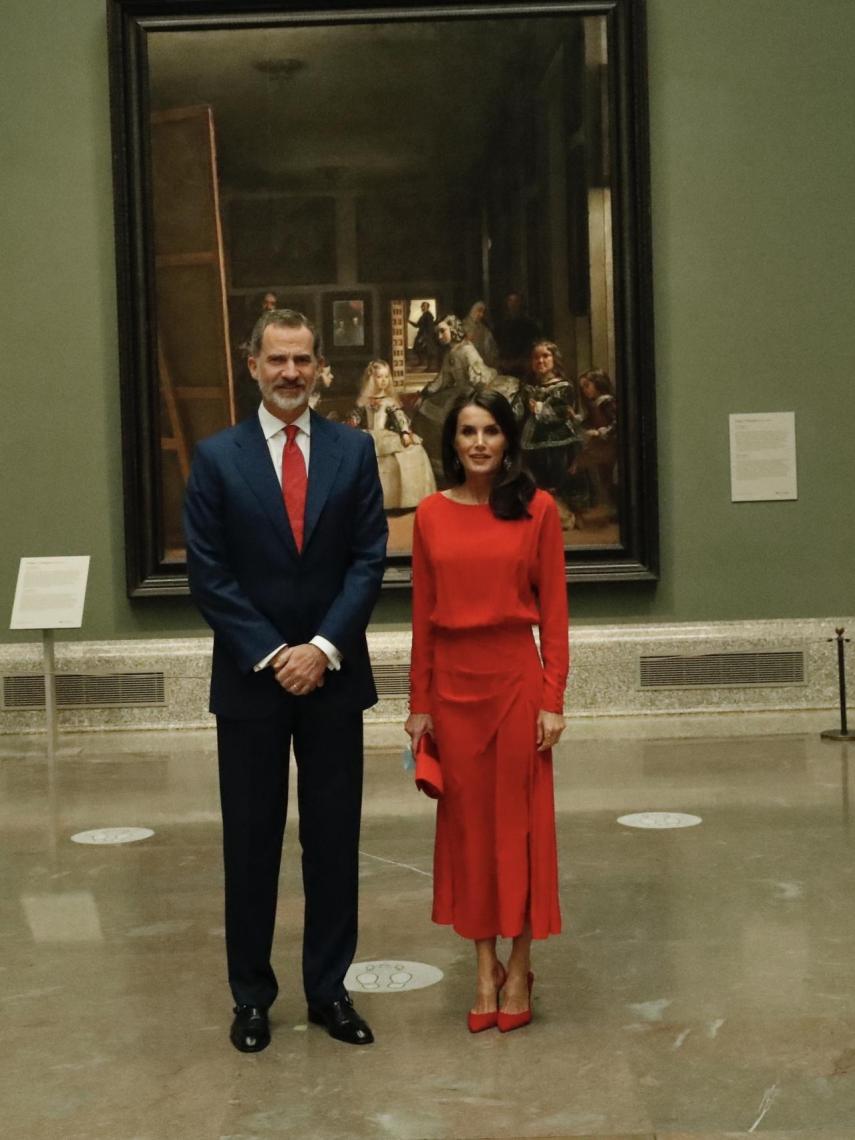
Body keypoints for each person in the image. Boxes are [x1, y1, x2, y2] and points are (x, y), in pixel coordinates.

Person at [183, 308, 388, 1053]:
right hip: (251, 684)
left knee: (333, 843)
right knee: (251, 842)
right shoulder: (216, 458)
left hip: (333, 679)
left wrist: (323, 647)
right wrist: (274, 654)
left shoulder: (354, 451)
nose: (291, 373)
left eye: (303, 360)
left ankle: (330, 992)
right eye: (278, 360)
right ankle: (251, 998)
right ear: (252, 365)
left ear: (319, 366)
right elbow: (208, 573)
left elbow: (368, 560)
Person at [405, 390, 569, 1034]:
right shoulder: (430, 515)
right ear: (452, 443)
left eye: (491, 431)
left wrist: (553, 699)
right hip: (453, 692)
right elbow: (422, 617)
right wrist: (419, 703)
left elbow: (554, 614)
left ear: (508, 442)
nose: (478, 443)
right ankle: (483, 969)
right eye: (467, 432)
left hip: (515, 685)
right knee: (470, 836)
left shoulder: (539, 510)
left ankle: (521, 963)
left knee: (521, 831)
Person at [411, 315, 521, 480]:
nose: (440, 337)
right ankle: (447, 464)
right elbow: (443, 379)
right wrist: (425, 394)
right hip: (459, 391)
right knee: (427, 408)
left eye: (443, 332)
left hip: (475, 390)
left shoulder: (467, 350)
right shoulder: (450, 353)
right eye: (438, 333)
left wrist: (478, 397)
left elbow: (480, 378)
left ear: (453, 330)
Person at [351, 359, 436, 509]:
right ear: (371, 378)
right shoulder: (364, 401)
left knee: (412, 451)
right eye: (379, 377)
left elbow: (399, 417)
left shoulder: (389, 401)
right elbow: (356, 416)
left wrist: (404, 432)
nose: (383, 381)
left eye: (386, 377)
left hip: (385, 435)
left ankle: (397, 499)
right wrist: (351, 423)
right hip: (368, 434)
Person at [520, 340, 582, 530]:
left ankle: (559, 519)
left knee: (553, 480)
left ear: (554, 359)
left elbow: (561, 413)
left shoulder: (563, 387)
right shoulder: (529, 386)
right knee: (535, 481)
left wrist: (537, 407)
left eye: (545, 356)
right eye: (536, 357)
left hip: (556, 442)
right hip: (532, 441)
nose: (540, 361)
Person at [576, 369, 618, 515]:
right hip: (600, 445)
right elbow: (587, 421)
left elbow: (616, 423)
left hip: (607, 445)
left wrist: (601, 432)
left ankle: (606, 507)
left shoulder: (607, 401)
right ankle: (603, 506)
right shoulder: (595, 404)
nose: (585, 390)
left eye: (587, 386)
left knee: (582, 464)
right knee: (602, 476)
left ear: (598, 384)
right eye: (582, 388)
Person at [494, 291, 542, 379]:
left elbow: (534, 347)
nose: (513, 305)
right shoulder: (500, 327)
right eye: (510, 301)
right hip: (505, 371)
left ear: (521, 304)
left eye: (516, 302)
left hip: (525, 370)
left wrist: (520, 361)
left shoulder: (530, 326)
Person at [462, 300, 499, 367]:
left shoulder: (485, 330)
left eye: (483, 312)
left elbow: (492, 352)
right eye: (479, 311)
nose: (481, 315)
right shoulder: (461, 328)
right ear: (471, 310)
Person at [408, 300, 438, 371]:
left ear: (427, 307)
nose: (422, 308)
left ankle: (429, 367)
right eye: (422, 306)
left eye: (424, 306)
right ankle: (421, 362)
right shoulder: (424, 315)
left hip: (427, 336)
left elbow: (429, 328)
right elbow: (417, 325)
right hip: (422, 335)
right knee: (417, 348)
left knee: (428, 351)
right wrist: (409, 321)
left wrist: (424, 337)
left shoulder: (429, 316)